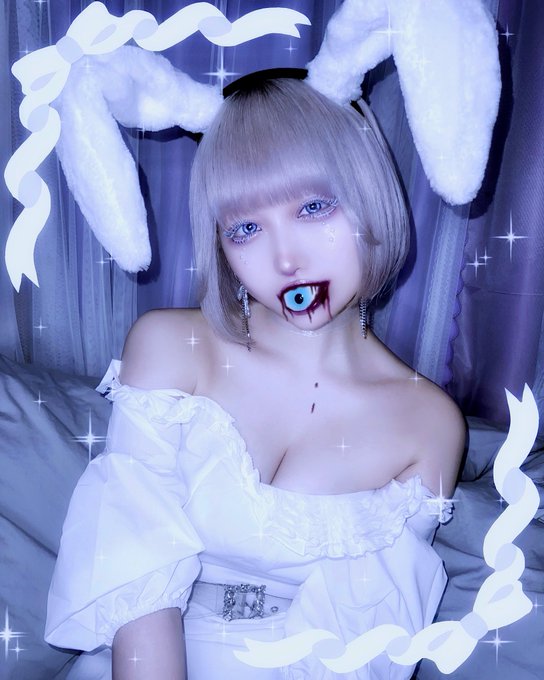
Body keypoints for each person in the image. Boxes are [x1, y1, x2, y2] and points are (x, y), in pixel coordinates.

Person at [46, 77, 465, 679]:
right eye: (245, 228)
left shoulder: (426, 424)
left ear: (370, 198)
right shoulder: (171, 349)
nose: (286, 260)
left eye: (314, 208)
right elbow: (134, 576)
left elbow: (364, 645)